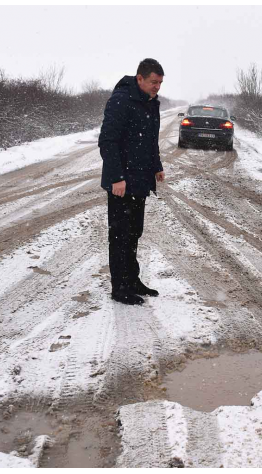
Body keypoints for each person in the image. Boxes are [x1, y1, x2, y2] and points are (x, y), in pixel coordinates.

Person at [99, 58, 166, 305]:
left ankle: (133, 280)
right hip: (121, 183)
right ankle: (120, 287)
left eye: (159, 83)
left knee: (134, 232)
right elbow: (107, 141)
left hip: (140, 180)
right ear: (140, 78)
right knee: (119, 235)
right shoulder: (121, 100)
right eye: (153, 82)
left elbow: (150, 139)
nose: (157, 87)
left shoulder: (151, 103)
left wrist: (156, 166)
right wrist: (117, 177)